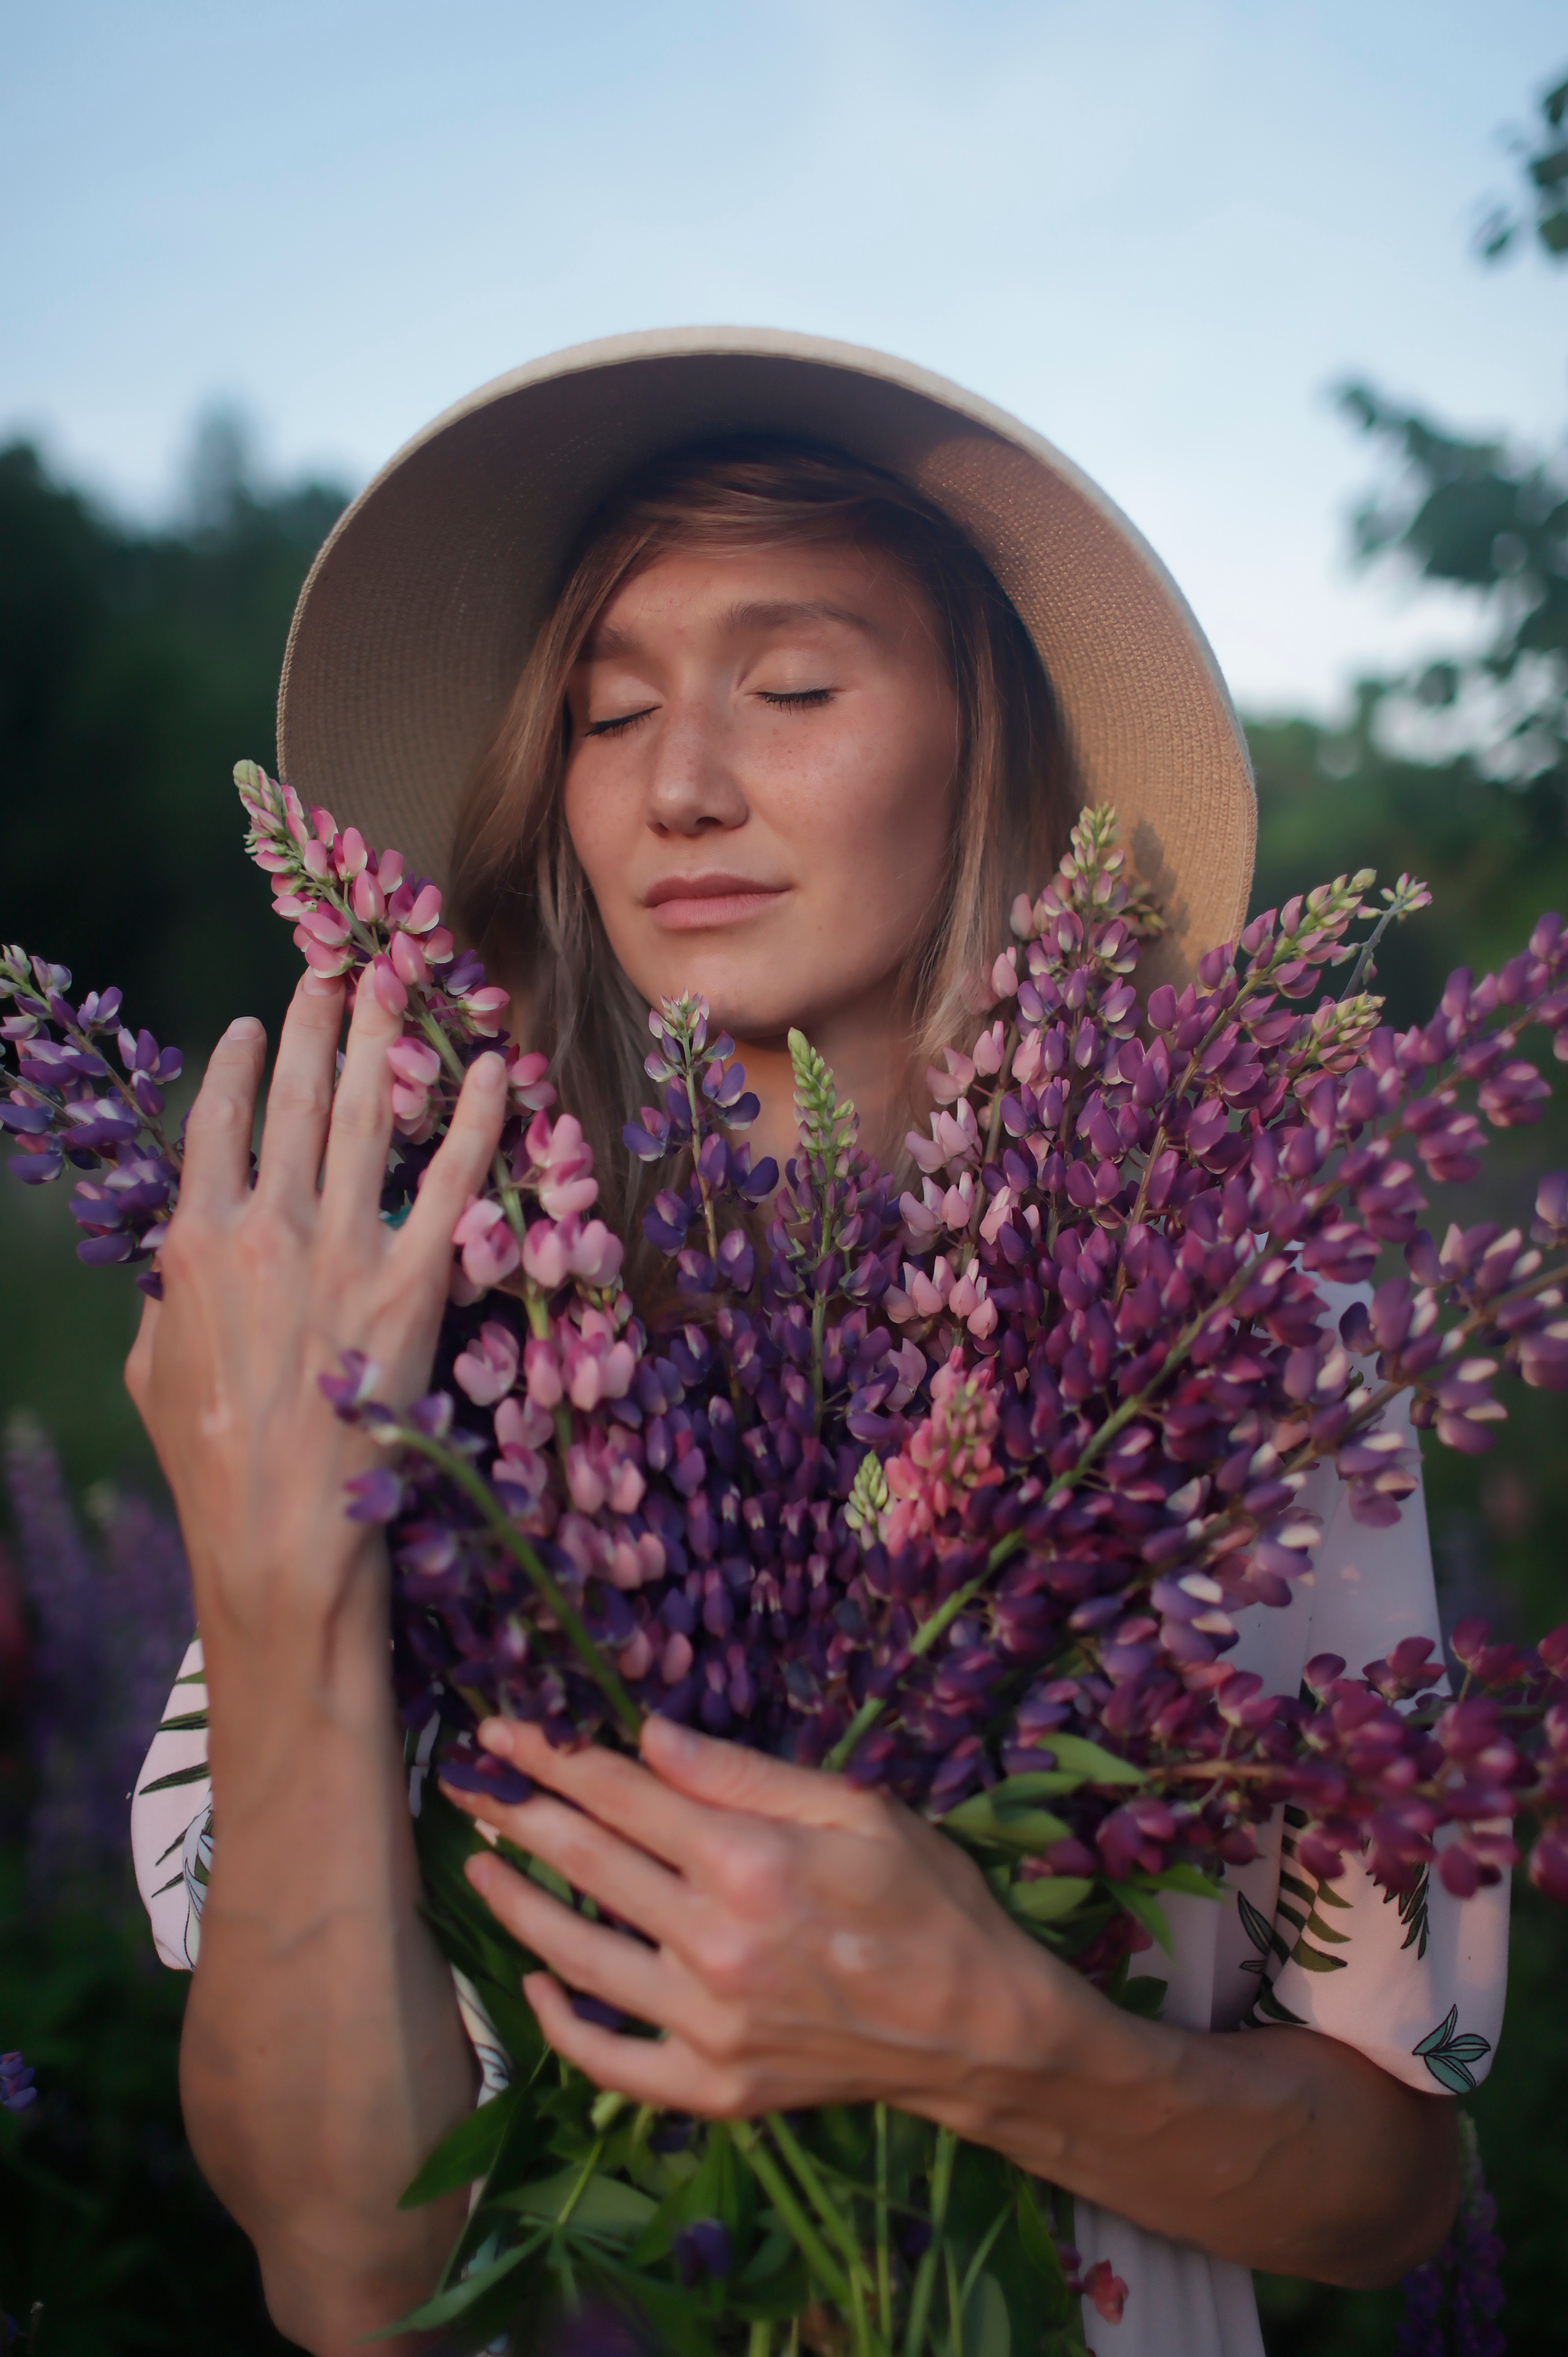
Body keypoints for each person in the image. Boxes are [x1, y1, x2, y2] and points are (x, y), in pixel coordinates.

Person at [127, 331, 1506, 2357]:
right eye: (608, 714)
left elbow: (1390, 2183)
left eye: (790, 687)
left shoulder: (1242, 1328)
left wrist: (999, 2038)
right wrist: (270, 1564)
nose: (682, 780)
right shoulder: (433, 1330)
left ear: (988, 747)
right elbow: (351, 2272)